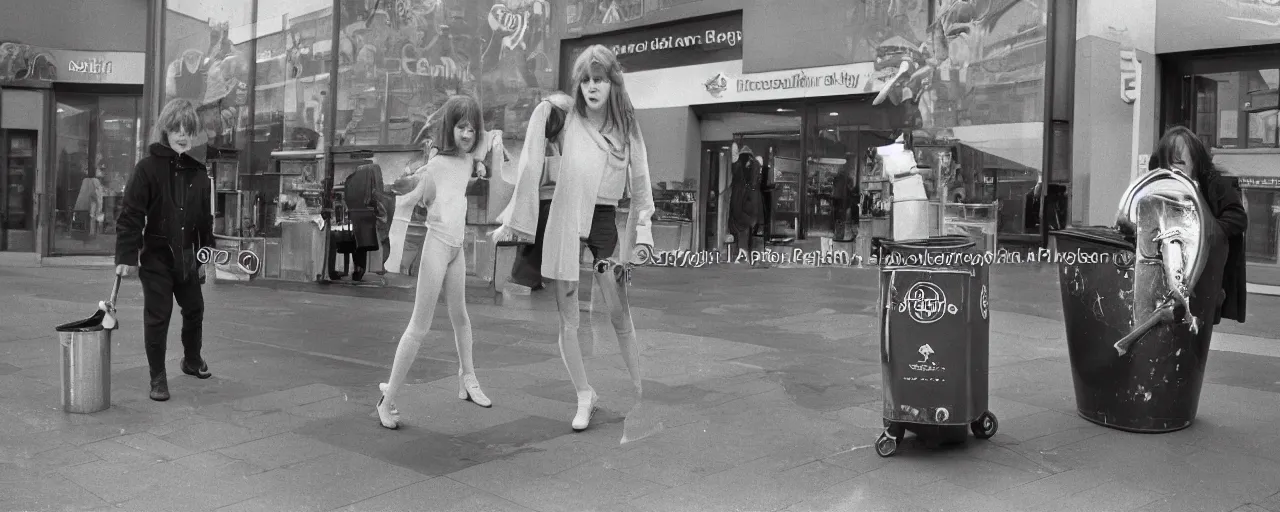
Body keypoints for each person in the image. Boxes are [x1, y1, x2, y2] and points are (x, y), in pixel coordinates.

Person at [493, 44, 656, 432]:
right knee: (569, 317)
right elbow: (531, 162)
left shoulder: (627, 126)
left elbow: (641, 182)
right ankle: (584, 394)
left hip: (603, 223)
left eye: (599, 79)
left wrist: (645, 230)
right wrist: (517, 220)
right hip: (566, 220)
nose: (592, 87)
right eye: (585, 80)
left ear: (612, 82)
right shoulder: (566, 117)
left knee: (618, 311)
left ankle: (640, 389)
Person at [375, 95, 501, 429]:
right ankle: (387, 401)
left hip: (456, 249)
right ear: (450, 128)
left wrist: (480, 163)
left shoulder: (468, 157)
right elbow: (417, 184)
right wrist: (408, 183)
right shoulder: (438, 163)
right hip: (437, 248)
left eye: (472, 128)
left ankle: (468, 378)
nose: (468, 134)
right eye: (461, 127)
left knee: (461, 316)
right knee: (420, 325)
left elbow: (485, 144)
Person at [114, 98, 215, 402]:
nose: (183, 134)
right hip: (157, 257)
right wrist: (126, 258)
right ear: (166, 130)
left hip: (187, 258)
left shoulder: (199, 172)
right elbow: (131, 214)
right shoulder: (147, 168)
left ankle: (192, 359)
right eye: (177, 128)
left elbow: (203, 221)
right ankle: (157, 377)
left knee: (195, 309)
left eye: (188, 129)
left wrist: (203, 257)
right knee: (159, 316)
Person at [1148, 126, 1248, 325]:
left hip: (1204, 273)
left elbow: (1237, 218)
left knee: (1194, 329)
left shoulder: (1212, 183)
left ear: (1195, 161)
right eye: (1169, 164)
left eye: (1180, 163)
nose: (1175, 170)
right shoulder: (1158, 184)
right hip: (1166, 271)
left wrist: (1204, 233)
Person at [508, 91, 573, 291]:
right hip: (545, 200)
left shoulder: (550, 139)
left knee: (537, 243)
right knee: (535, 243)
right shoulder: (548, 140)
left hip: (548, 200)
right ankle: (526, 278)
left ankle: (528, 278)